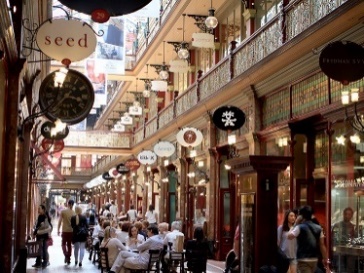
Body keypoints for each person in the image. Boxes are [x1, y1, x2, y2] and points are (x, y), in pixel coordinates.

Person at [288, 205, 328, 273]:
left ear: (301, 216)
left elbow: (289, 236)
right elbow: (322, 245)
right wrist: (325, 259)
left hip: (303, 259)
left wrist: (295, 223)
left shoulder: (300, 227)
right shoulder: (318, 228)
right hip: (314, 259)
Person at [332, 207, 356, 272]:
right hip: (340, 251)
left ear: (351, 215)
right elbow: (333, 238)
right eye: (346, 214)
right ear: (343, 214)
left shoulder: (353, 226)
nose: (347, 216)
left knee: (350, 268)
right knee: (340, 268)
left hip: (350, 251)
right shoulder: (337, 225)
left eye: (349, 214)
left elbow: (355, 239)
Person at [57, 199, 76, 265]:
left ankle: (66, 255)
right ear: (72, 204)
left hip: (64, 230)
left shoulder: (63, 211)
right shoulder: (74, 213)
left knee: (63, 244)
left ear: (68, 204)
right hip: (71, 231)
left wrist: (58, 229)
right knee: (69, 245)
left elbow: (59, 221)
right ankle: (69, 257)